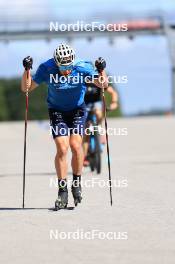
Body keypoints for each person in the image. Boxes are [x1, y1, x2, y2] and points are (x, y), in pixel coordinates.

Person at [21, 43, 108, 209]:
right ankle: (62, 191)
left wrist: (101, 70)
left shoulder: (82, 67)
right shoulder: (46, 68)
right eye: (63, 68)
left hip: (77, 110)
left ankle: (76, 182)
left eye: (69, 67)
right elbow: (26, 88)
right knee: (62, 148)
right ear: (56, 63)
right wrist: (26, 70)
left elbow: (103, 85)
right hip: (56, 111)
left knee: (76, 145)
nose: (67, 71)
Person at [83, 83, 118, 166]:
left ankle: (100, 131)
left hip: (96, 103)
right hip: (84, 104)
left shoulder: (98, 80)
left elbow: (113, 92)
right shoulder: (81, 78)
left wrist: (114, 102)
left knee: (98, 113)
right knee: (86, 132)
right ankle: (84, 156)